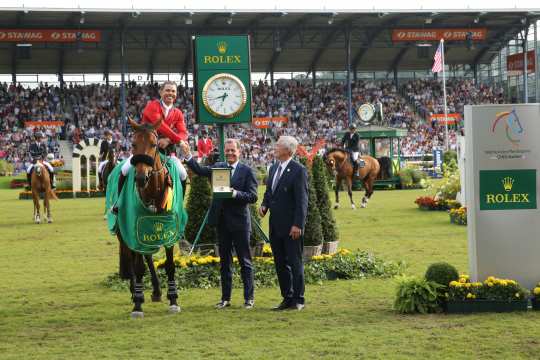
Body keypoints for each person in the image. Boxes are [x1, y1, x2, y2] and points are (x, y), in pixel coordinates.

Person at [179, 138, 258, 309]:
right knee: (225, 262)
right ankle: (225, 299)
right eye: (227, 150)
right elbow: (199, 170)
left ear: (239, 152)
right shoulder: (219, 167)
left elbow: (253, 196)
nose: (230, 153)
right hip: (222, 222)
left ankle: (249, 298)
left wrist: (234, 193)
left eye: (233, 150)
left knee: (245, 261)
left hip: (240, 222)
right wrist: (187, 155)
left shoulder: (247, 171)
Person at [259, 136, 308, 311]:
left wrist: (298, 225)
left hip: (291, 226)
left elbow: (302, 201)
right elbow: (269, 192)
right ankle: (286, 297)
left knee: (295, 262)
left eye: (278, 145)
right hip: (275, 225)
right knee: (280, 263)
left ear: (288, 150)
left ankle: (298, 299)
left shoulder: (298, 170)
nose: (275, 147)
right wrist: (264, 204)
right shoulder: (273, 168)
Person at [118, 81, 188, 194]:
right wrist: (179, 141)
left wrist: (169, 140)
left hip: (167, 152)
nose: (170, 93)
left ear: (176, 94)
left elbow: (183, 133)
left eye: (173, 91)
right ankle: (118, 202)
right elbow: (161, 127)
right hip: (145, 149)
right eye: (167, 90)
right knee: (125, 170)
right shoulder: (152, 106)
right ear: (161, 92)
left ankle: (179, 204)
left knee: (183, 174)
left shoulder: (178, 113)